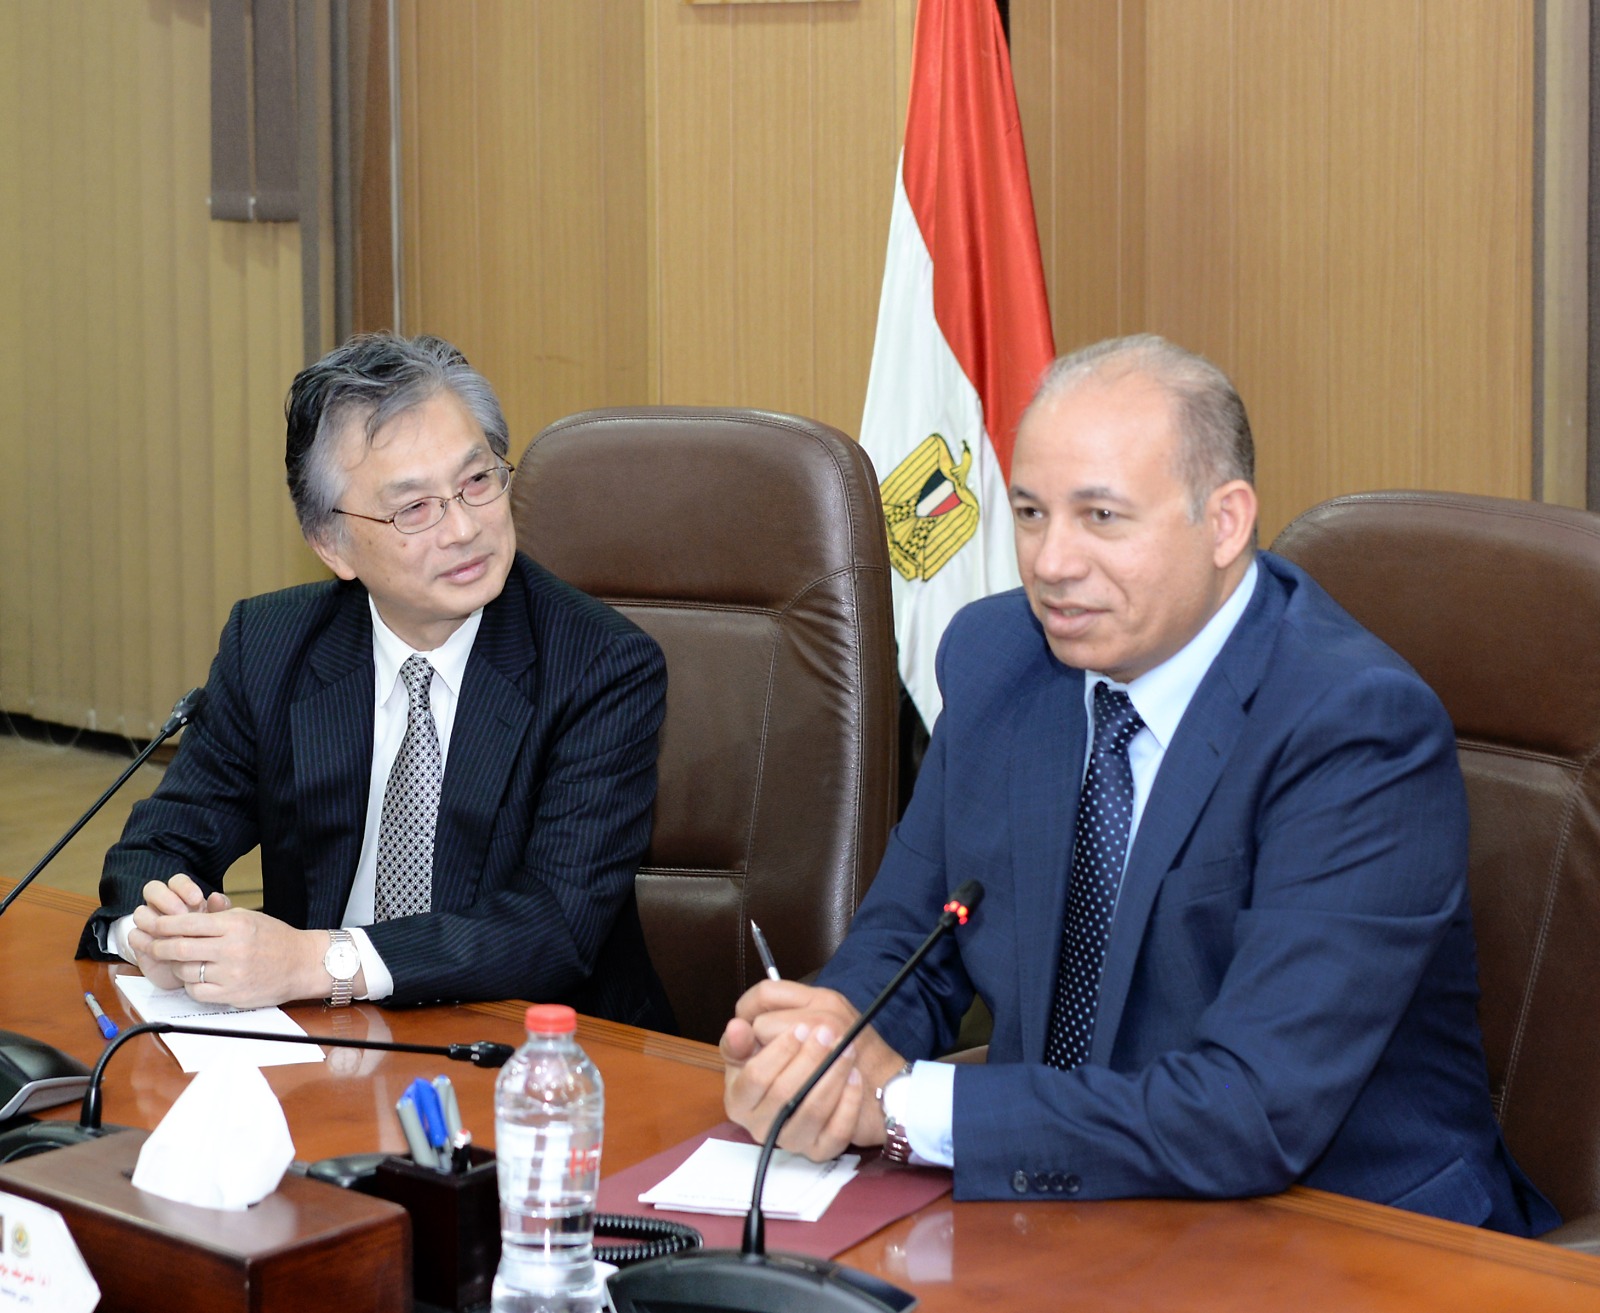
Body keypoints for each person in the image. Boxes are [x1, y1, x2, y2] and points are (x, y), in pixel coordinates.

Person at [721, 334, 1558, 1234]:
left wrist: (903, 1103)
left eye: (1102, 517)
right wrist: (828, 1043)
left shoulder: (1354, 727)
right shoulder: (1001, 658)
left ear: (1225, 523)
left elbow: (1252, 1109)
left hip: (1347, 1235)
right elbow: (912, 943)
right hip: (1069, 1205)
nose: (1051, 562)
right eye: (1031, 512)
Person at [78, 333, 674, 1029]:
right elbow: (160, 845)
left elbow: (553, 927)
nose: (463, 528)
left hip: (533, 1045)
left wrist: (316, 962)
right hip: (322, 1042)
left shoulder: (601, 664)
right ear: (332, 544)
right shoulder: (269, 645)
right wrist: (161, 935)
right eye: (413, 508)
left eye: (477, 481)